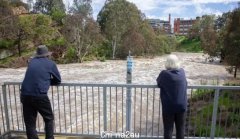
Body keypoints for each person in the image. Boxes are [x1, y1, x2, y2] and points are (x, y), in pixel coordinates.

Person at [21, 45, 61, 139]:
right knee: (48, 118)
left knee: (30, 123)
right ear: (47, 55)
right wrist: (47, 81)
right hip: (39, 95)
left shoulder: (31, 62)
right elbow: (58, 80)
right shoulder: (50, 64)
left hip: (25, 94)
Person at [156, 54, 187, 139]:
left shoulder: (164, 74)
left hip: (169, 107)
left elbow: (158, 83)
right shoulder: (182, 72)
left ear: (167, 63)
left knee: (168, 129)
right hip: (182, 106)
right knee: (180, 129)